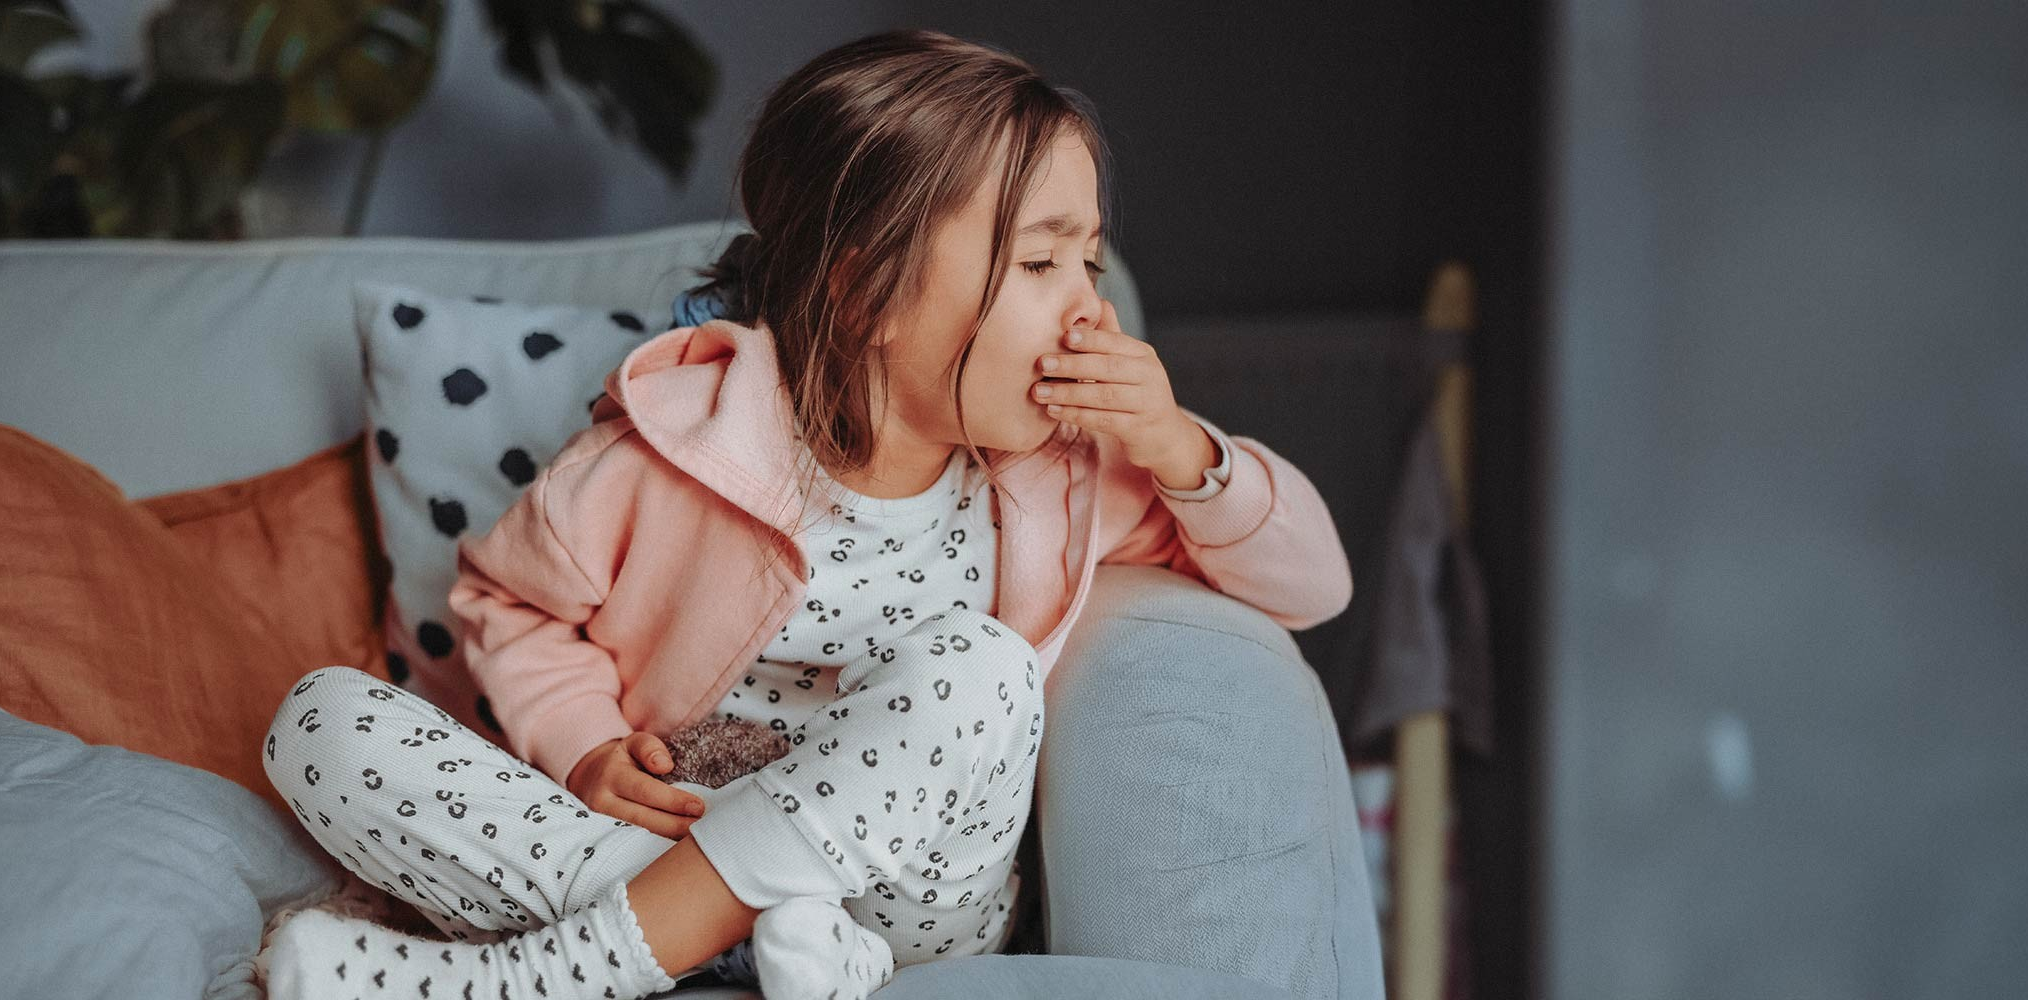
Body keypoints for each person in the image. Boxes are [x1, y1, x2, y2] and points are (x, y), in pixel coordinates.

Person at [256, 28, 1351, 1000]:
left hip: (906, 907)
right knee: (319, 720)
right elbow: (512, 602)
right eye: (1039, 261)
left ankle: (560, 971)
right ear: (867, 292)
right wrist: (584, 748)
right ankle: (746, 940)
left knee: (984, 667)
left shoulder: (1063, 472)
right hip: (669, 841)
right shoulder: (680, 439)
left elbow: (1315, 584)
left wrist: (1178, 446)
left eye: (1089, 261)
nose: (1089, 309)